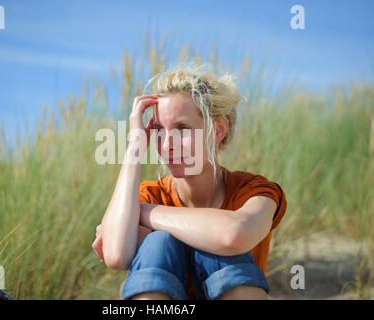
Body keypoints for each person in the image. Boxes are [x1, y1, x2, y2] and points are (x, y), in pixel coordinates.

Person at [92, 64, 287, 300]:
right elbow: (116, 255)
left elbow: (233, 234)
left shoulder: (253, 190)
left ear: (218, 130)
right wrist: (134, 147)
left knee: (220, 246)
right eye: (158, 130)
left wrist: (141, 212)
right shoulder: (151, 194)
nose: (166, 145)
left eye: (182, 128)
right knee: (158, 244)